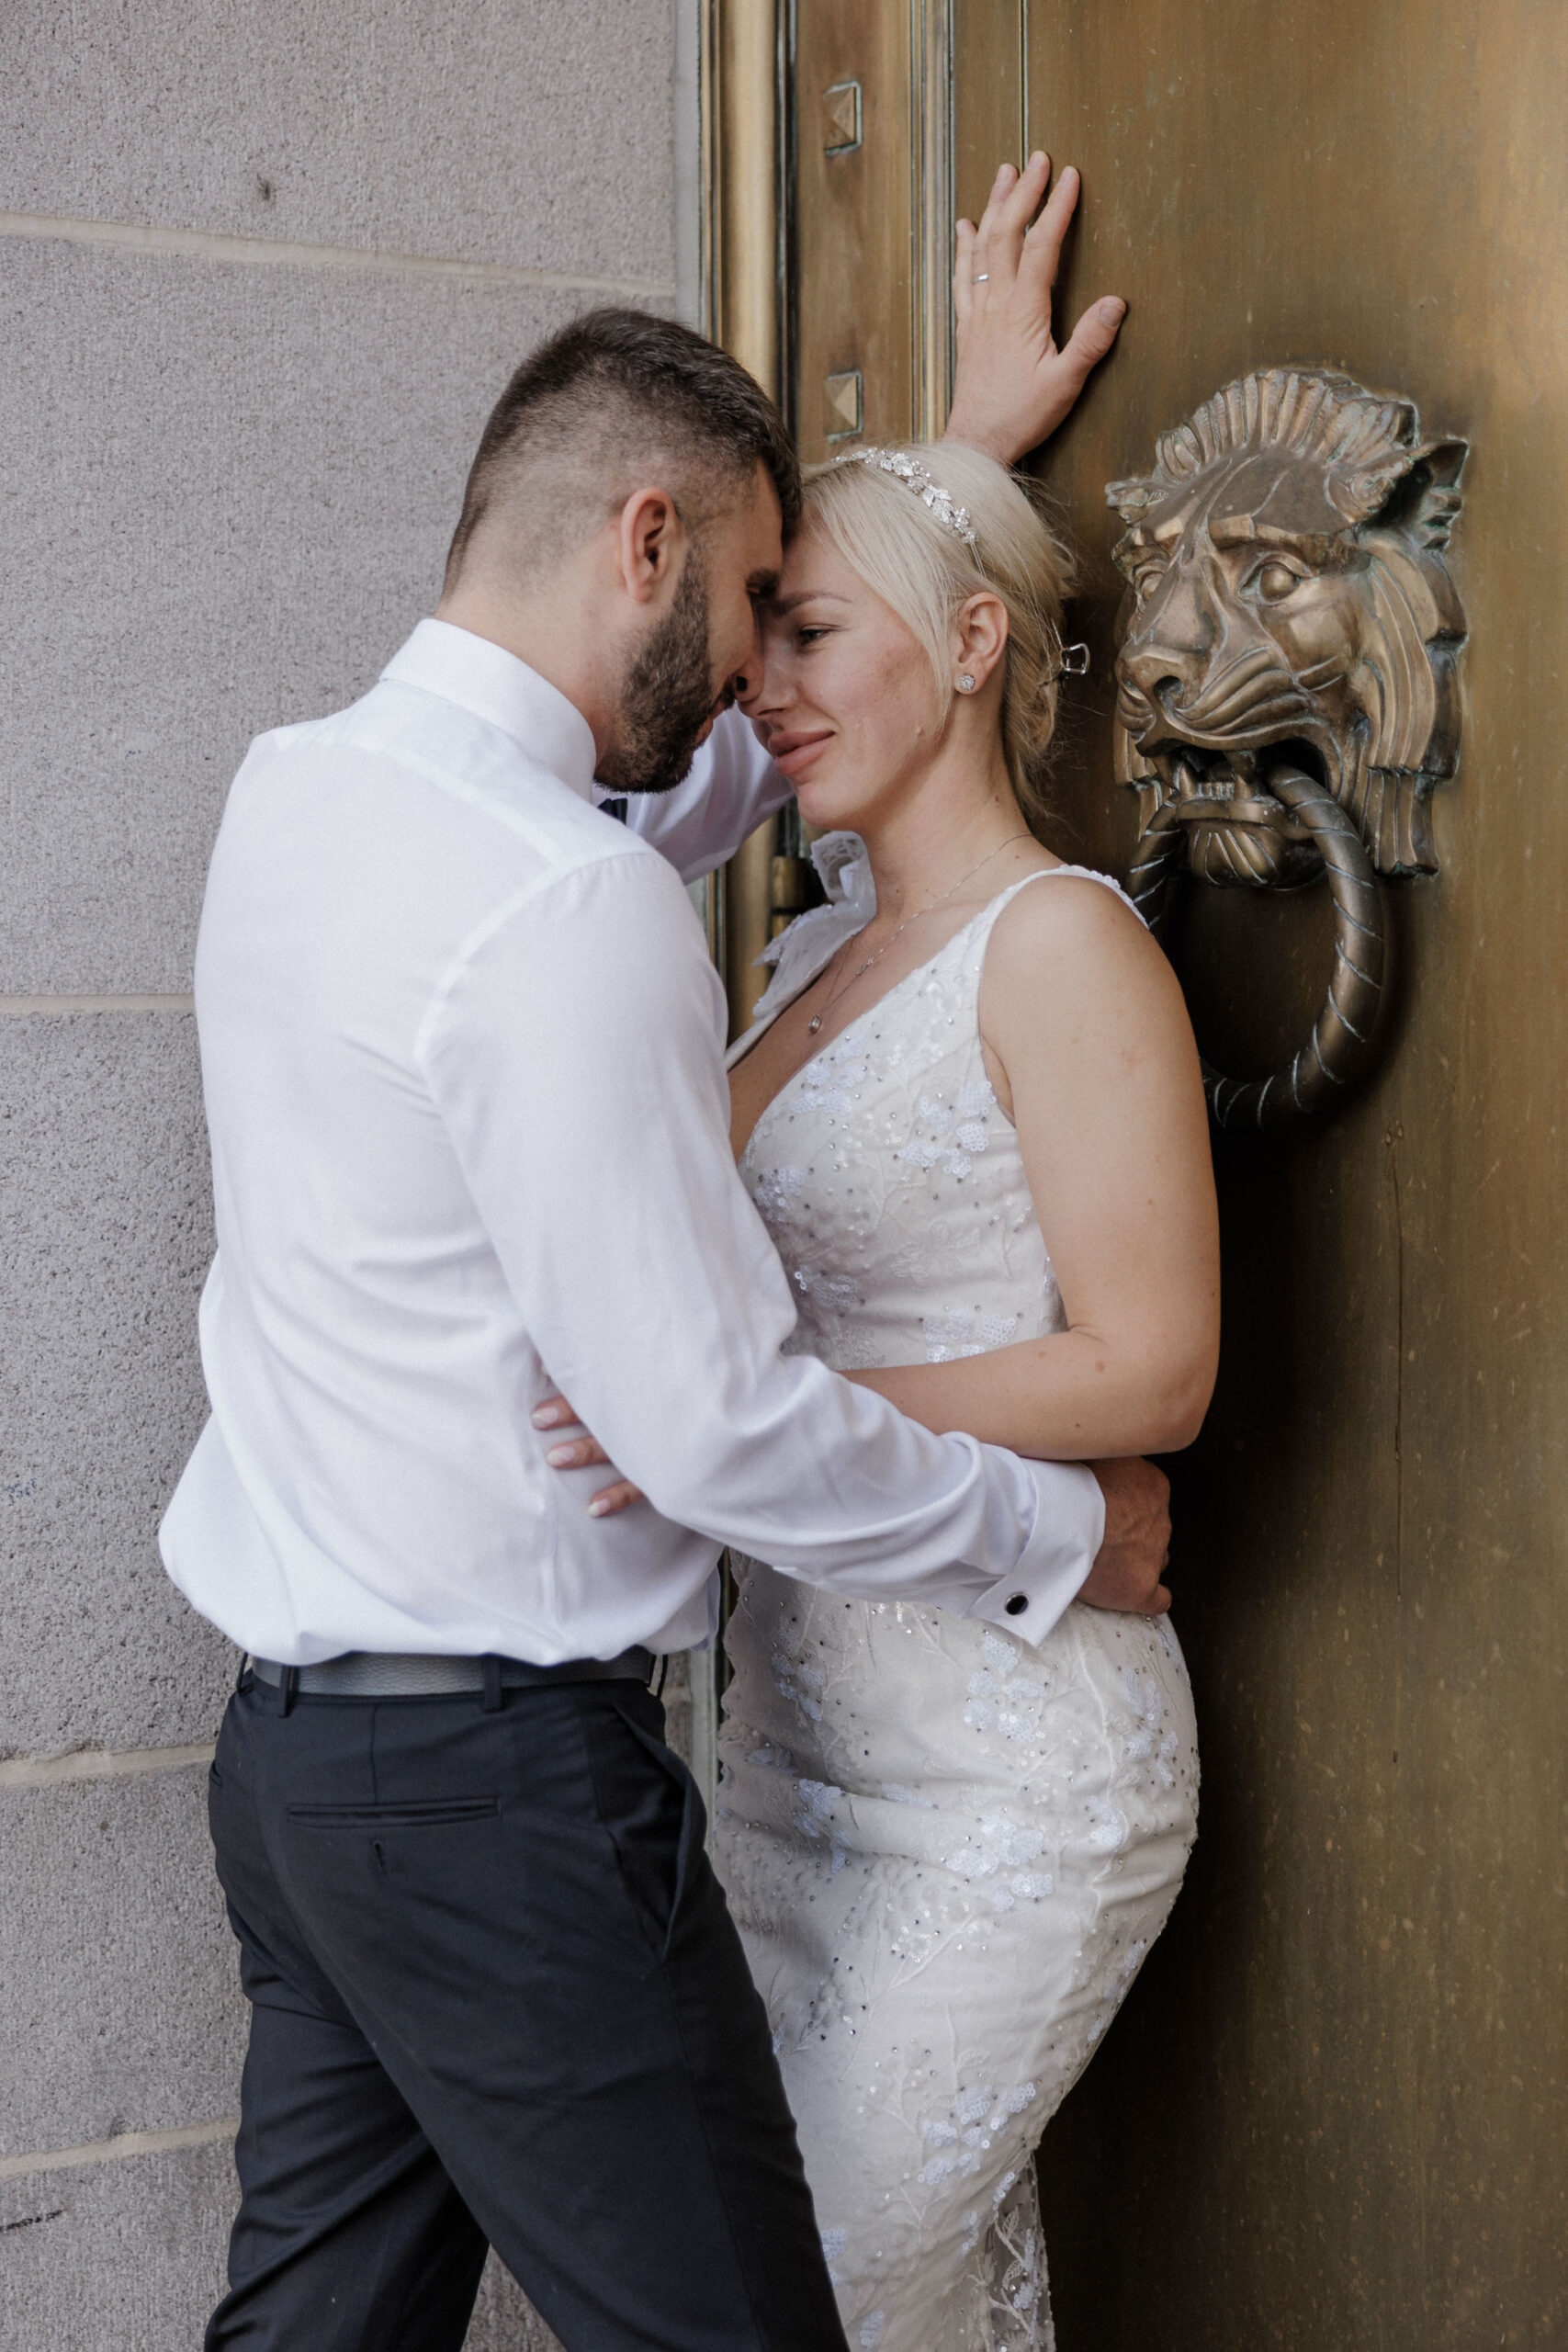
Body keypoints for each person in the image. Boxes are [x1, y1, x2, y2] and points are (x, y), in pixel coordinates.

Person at [160, 158, 1165, 2352]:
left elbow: (720, 784)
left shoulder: (294, 796)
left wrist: (963, 477)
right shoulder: (559, 897)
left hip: (300, 1774)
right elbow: (704, 1424)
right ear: (648, 546)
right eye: (747, 609)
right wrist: (1046, 1525)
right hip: (504, 1806)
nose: (746, 690)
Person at [558, 439, 1219, 2347]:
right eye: (755, 633)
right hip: (782, 1759)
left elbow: (1149, 1362)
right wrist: (971, 423)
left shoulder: (1065, 944)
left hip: (1010, 1770)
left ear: (971, 642)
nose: (760, 684)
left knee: (809, 2296)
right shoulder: (809, 952)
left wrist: (745, 1416)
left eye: (811, 631)